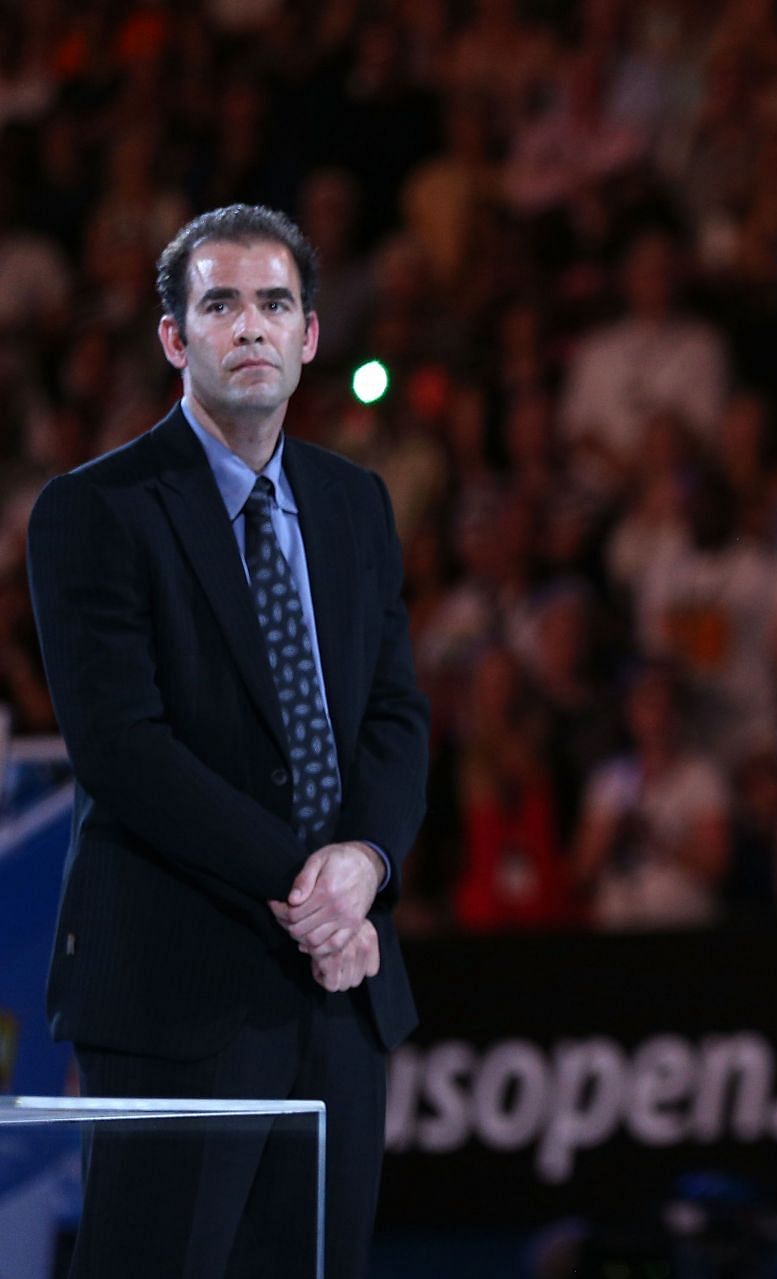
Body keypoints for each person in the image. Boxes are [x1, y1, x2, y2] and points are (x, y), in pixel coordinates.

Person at [26, 205, 430, 1278]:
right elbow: (124, 751)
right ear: (176, 338)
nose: (248, 326)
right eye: (220, 305)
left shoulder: (355, 503)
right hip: (178, 986)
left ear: (306, 336)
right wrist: (312, 889)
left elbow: (394, 714)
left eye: (273, 304)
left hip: (337, 995)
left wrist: (367, 862)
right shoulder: (95, 510)